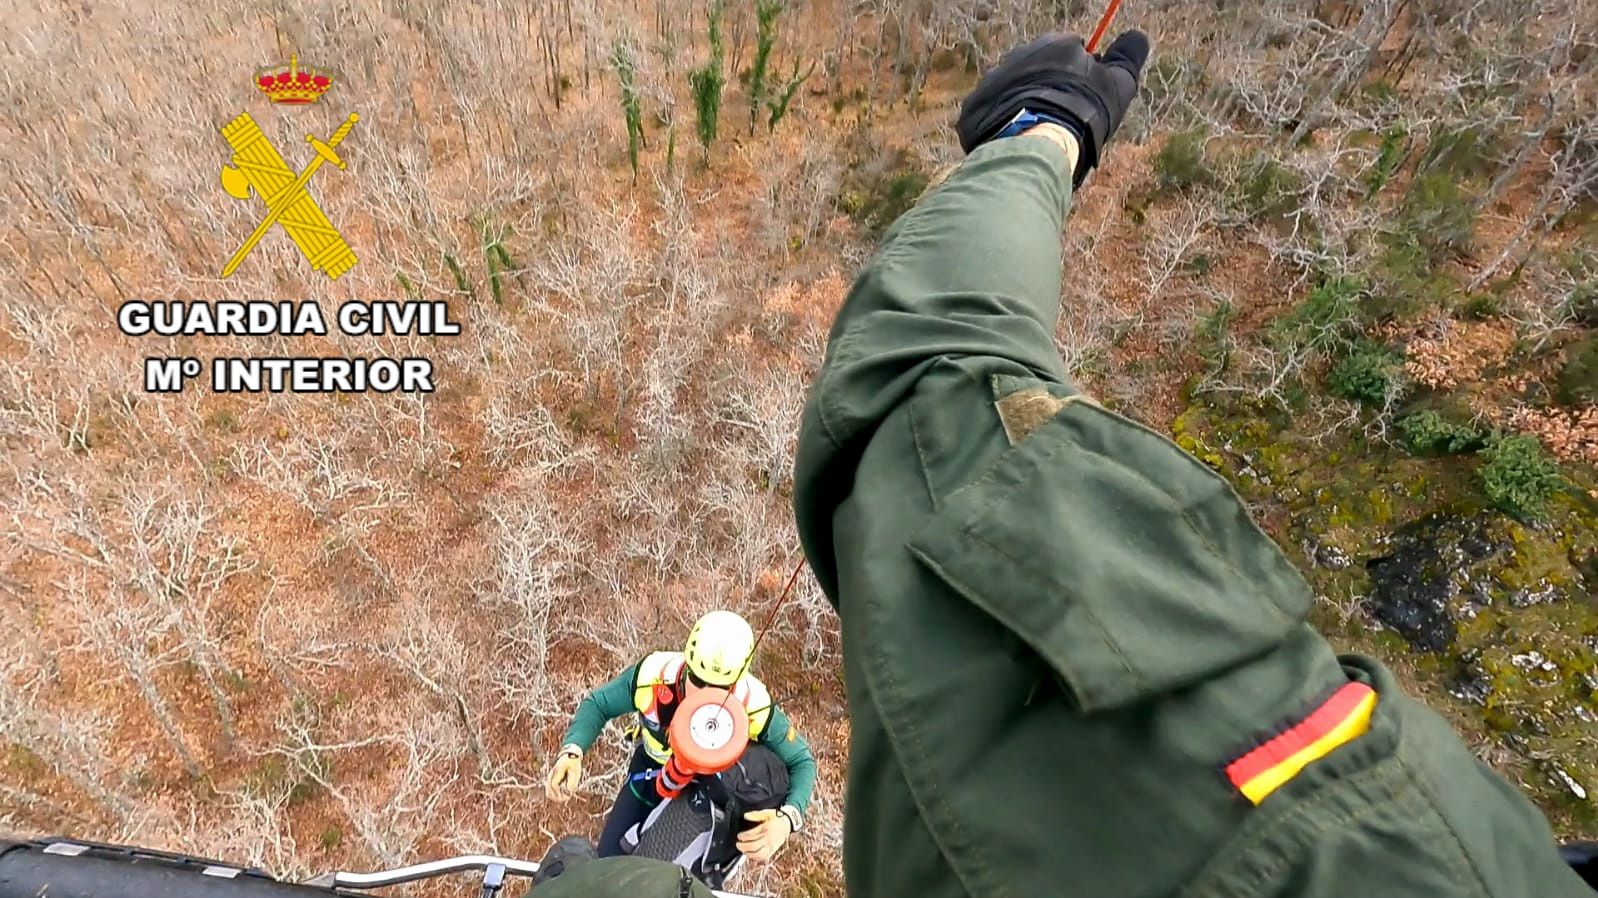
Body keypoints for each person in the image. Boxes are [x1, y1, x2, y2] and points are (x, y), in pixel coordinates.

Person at [538, 28, 1596, 898]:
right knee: (634, 824)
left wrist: (1037, 140)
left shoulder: (1366, 828)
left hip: (709, 815)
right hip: (655, 790)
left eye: (720, 675)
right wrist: (586, 757)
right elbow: (937, 395)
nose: (713, 685)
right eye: (708, 675)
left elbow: (934, 375)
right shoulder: (660, 682)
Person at [543, 610, 817, 865]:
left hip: (709, 788)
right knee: (608, 864)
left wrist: (787, 818)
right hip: (651, 772)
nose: (704, 695)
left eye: (721, 689)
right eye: (697, 680)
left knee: (677, 879)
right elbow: (599, 704)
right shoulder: (653, 676)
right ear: (686, 666)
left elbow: (802, 761)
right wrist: (573, 751)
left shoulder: (753, 703)